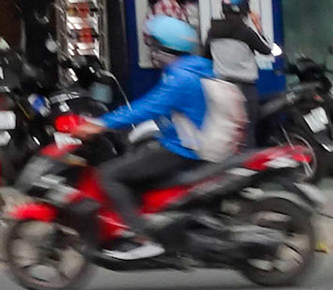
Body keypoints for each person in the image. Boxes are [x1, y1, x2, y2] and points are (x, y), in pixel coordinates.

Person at [75, 15, 244, 262]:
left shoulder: (180, 78)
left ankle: (143, 238)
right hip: (184, 142)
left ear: (164, 48)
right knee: (134, 160)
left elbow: (148, 107)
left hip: (180, 149)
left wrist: (100, 124)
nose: (152, 52)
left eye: (153, 46)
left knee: (109, 174)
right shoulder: (195, 69)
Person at [206, 0, 274, 130]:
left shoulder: (213, 31)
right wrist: (257, 24)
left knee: (225, 131)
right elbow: (267, 49)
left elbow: (206, 56)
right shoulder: (246, 32)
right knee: (247, 131)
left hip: (221, 88)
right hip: (245, 89)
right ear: (245, 12)